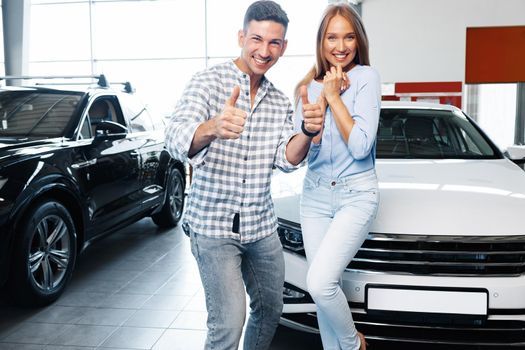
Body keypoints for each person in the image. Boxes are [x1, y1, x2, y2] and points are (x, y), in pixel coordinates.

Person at [164, 1, 323, 349]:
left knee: (270, 310)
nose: (264, 51)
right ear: (241, 36)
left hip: (261, 227)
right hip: (212, 226)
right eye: (257, 39)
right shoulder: (207, 83)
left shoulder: (280, 102)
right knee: (227, 325)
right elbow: (175, 138)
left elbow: (287, 158)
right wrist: (212, 127)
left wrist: (308, 134)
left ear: (283, 47)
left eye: (274, 43)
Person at [294, 3, 381, 350]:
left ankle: (353, 344)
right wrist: (311, 134)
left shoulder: (366, 78)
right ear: (321, 41)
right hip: (314, 197)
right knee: (323, 294)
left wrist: (332, 97)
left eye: (348, 37)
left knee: (319, 282)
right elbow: (307, 156)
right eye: (332, 37)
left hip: (356, 195)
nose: (340, 46)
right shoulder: (305, 87)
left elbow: (360, 146)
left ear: (358, 41)